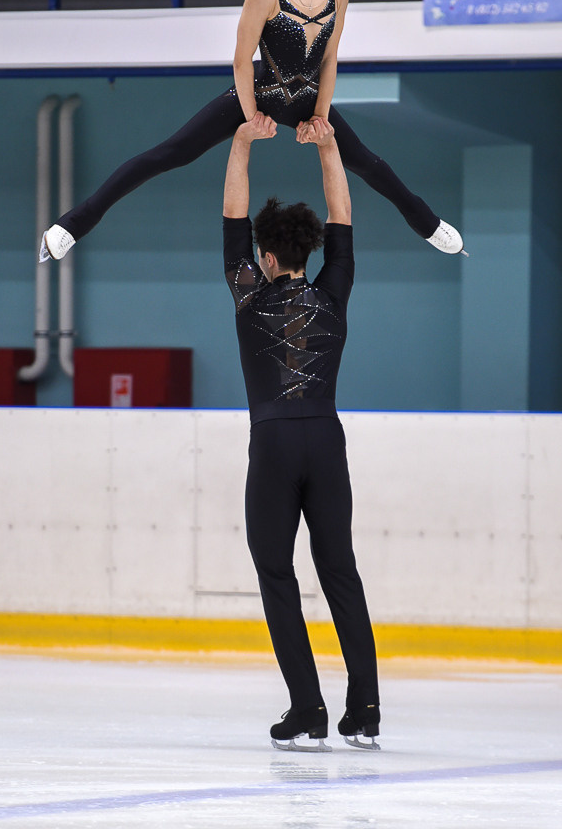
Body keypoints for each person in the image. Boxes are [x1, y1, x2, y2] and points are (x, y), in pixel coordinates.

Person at [40, 0, 464, 263]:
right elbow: (242, 61)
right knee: (170, 154)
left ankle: (429, 226)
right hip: (259, 91)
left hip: (308, 94)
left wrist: (320, 117)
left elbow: (330, 56)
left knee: (369, 165)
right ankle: (71, 226)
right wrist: (250, 118)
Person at [222, 112, 380, 751]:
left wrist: (239, 143)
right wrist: (329, 146)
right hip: (326, 439)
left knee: (274, 570)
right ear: (308, 251)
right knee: (339, 569)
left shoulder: (246, 294)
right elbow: (344, 217)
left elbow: (232, 217)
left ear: (264, 256)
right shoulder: (334, 292)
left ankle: (308, 707)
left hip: (275, 444)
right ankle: (364, 708)